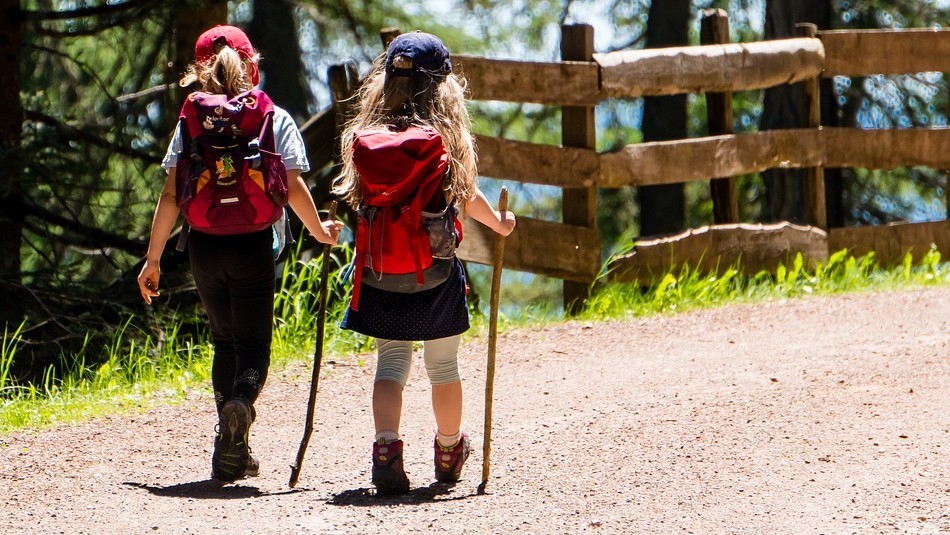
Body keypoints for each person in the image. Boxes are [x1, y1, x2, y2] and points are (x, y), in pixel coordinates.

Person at [136, 25, 342, 482]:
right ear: (252, 65)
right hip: (254, 245)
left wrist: (152, 260)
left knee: (223, 342)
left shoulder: (189, 123)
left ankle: (230, 446)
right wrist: (321, 232)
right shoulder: (272, 116)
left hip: (204, 245)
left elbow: (171, 195)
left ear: (199, 71)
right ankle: (241, 406)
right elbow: (290, 187)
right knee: (254, 349)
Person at [333, 31, 516, 495]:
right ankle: (450, 449)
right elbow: (464, 196)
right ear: (443, 86)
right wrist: (498, 224)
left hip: (378, 274)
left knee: (390, 364)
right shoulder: (441, 139)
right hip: (433, 274)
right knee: (443, 366)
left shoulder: (364, 138)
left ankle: (385, 449)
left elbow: (355, 199)